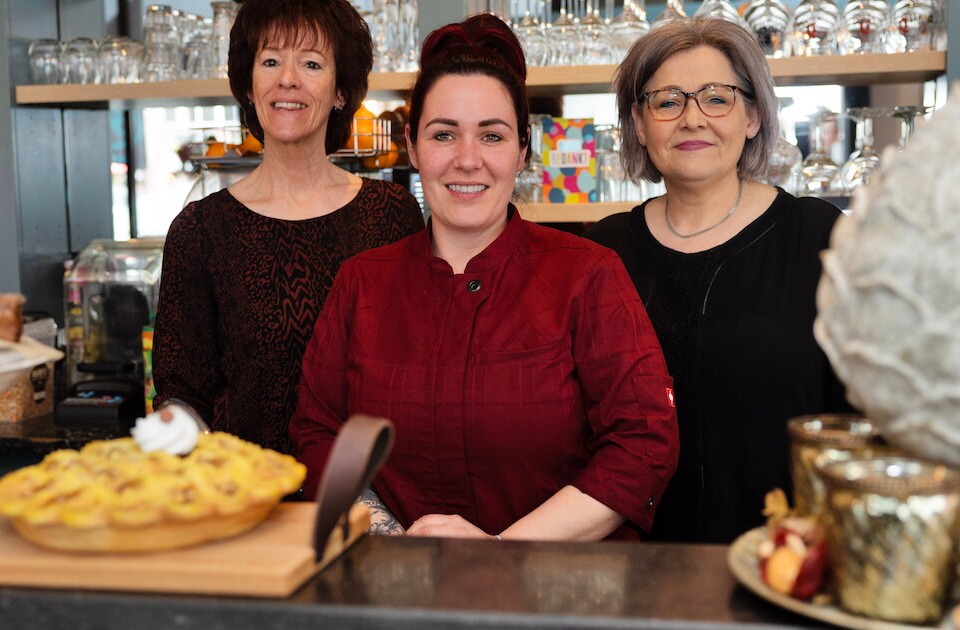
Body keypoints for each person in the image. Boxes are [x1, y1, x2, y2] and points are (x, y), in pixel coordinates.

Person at [290, 14, 678, 542]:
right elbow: (317, 434)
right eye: (444, 134)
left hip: (559, 600)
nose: (467, 160)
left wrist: (502, 551)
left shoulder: (588, 274)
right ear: (412, 145)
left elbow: (643, 441)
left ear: (522, 150)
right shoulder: (361, 283)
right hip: (392, 597)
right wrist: (392, 542)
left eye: (491, 136)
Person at [583, 18, 853, 544]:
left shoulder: (820, 238)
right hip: (632, 575)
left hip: (784, 566)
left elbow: (860, 423)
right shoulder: (602, 251)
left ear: (753, 115)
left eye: (716, 98)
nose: (691, 119)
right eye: (666, 101)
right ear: (639, 124)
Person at [154, 0, 424, 454]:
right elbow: (180, 398)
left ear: (341, 91)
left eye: (312, 63)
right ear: (249, 83)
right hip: (247, 500)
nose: (287, 79)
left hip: (371, 498)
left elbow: (418, 368)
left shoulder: (392, 214)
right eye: (271, 60)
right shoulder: (201, 230)